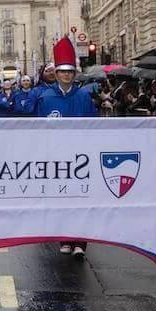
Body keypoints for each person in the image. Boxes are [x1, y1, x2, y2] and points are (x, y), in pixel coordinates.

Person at [36, 37, 97, 257]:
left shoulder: (83, 97)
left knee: (80, 199)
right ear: (57, 74)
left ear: (74, 74)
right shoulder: (45, 98)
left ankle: (80, 242)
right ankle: (64, 238)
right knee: (61, 199)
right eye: (62, 72)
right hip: (56, 156)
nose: (66, 75)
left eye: (70, 72)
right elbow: (38, 128)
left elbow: (94, 125)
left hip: (81, 157)